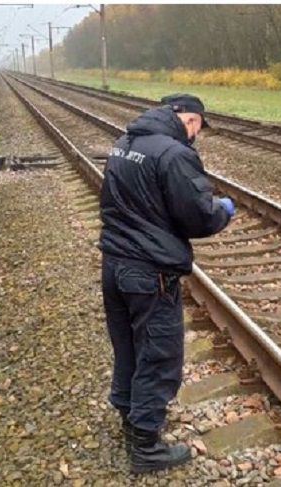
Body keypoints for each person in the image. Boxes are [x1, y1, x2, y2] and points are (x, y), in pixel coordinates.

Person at [99, 93, 234, 474]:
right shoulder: (174, 154)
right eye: (196, 126)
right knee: (158, 355)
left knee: (128, 345)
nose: (195, 135)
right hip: (149, 273)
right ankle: (145, 447)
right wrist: (221, 211)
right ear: (187, 119)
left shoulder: (125, 143)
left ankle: (129, 414)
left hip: (115, 265)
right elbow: (198, 218)